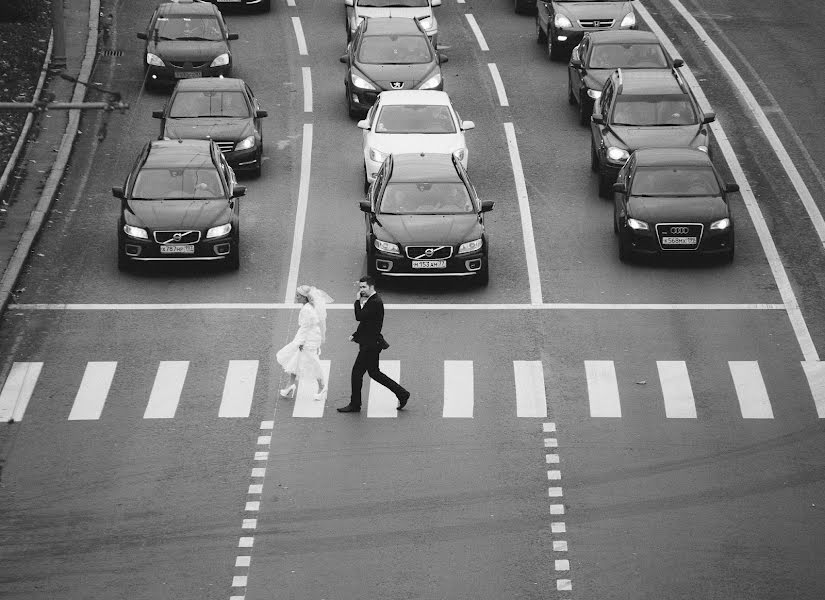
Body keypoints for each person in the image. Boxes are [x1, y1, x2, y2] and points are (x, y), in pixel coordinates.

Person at [337, 275, 410, 413]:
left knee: (357, 373)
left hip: (370, 345)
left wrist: (357, 301)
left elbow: (359, 316)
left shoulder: (375, 302)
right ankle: (402, 393)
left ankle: (355, 404)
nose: (361, 290)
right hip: (372, 342)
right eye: (360, 287)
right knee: (374, 373)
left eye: (364, 287)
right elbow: (366, 322)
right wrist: (356, 335)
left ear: (371, 287)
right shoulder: (372, 301)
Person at [276, 285, 334, 402]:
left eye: (298, 295)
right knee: (296, 359)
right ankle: (290, 385)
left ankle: (322, 386)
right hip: (310, 336)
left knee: (313, 362)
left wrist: (300, 342)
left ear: (304, 297)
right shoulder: (308, 307)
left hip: (309, 339)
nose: (296, 297)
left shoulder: (306, 309)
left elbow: (306, 327)